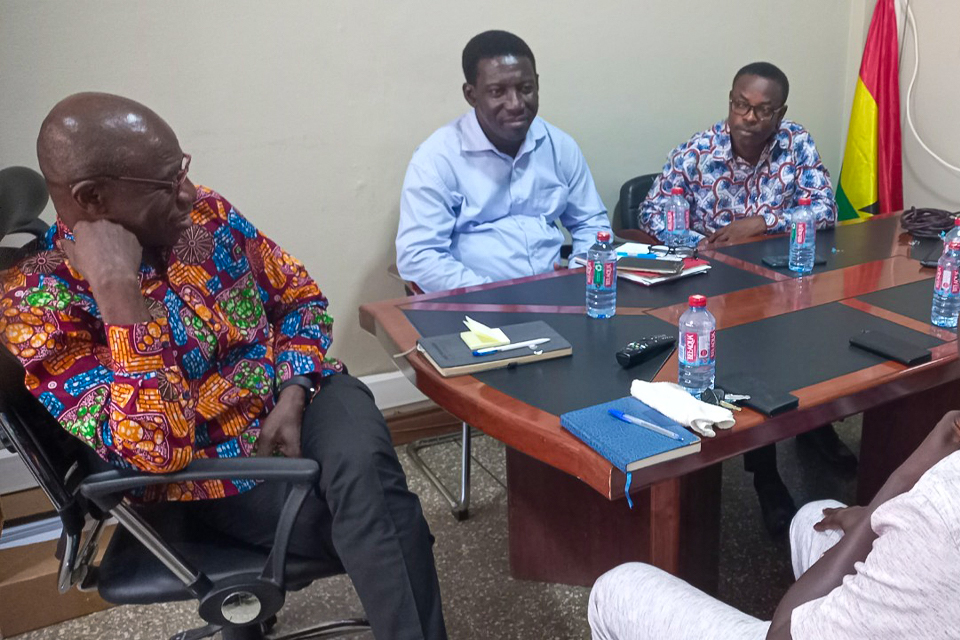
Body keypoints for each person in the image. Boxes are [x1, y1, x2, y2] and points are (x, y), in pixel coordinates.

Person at [0, 93, 447, 640]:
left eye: (182, 170)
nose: (189, 192)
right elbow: (157, 451)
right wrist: (118, 292)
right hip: (210, 473)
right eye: (166, 184)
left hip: (303, 391)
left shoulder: (204, 216)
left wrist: (293, 390)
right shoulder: (39, 306)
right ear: (92, 197)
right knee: (383, 519)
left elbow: (300, 300)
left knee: (370, 483)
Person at [641, 62, 853, 536]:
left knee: (815, 337)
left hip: (785, 277)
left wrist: (762, 223)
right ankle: (765, 473)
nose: (749, 117)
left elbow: (826, 207)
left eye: (763, 110)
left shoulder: (796, 143)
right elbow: (651, 209)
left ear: (781, 113)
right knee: (754, 363)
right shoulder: (699, 151)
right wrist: (698, 242)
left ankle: (814, 423)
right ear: (731, 102)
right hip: (716, 289)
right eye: (741, 105)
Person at [588, 408, 960, 640]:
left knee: (615, 589)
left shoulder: (939, 511)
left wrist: (903, 478)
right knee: (813, 518)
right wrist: (873, 518)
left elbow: (781, 634)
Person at [396, 30, 611, 293]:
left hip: (555, 298)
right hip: (474, 303)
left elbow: (591, 223)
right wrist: (492, 295)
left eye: (525, 89)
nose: (516, 104)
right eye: (498, 92)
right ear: (471, 95)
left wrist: (579, 272)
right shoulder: (437, 159)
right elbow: (419, 255)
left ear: (537, 85)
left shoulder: (559, 146)